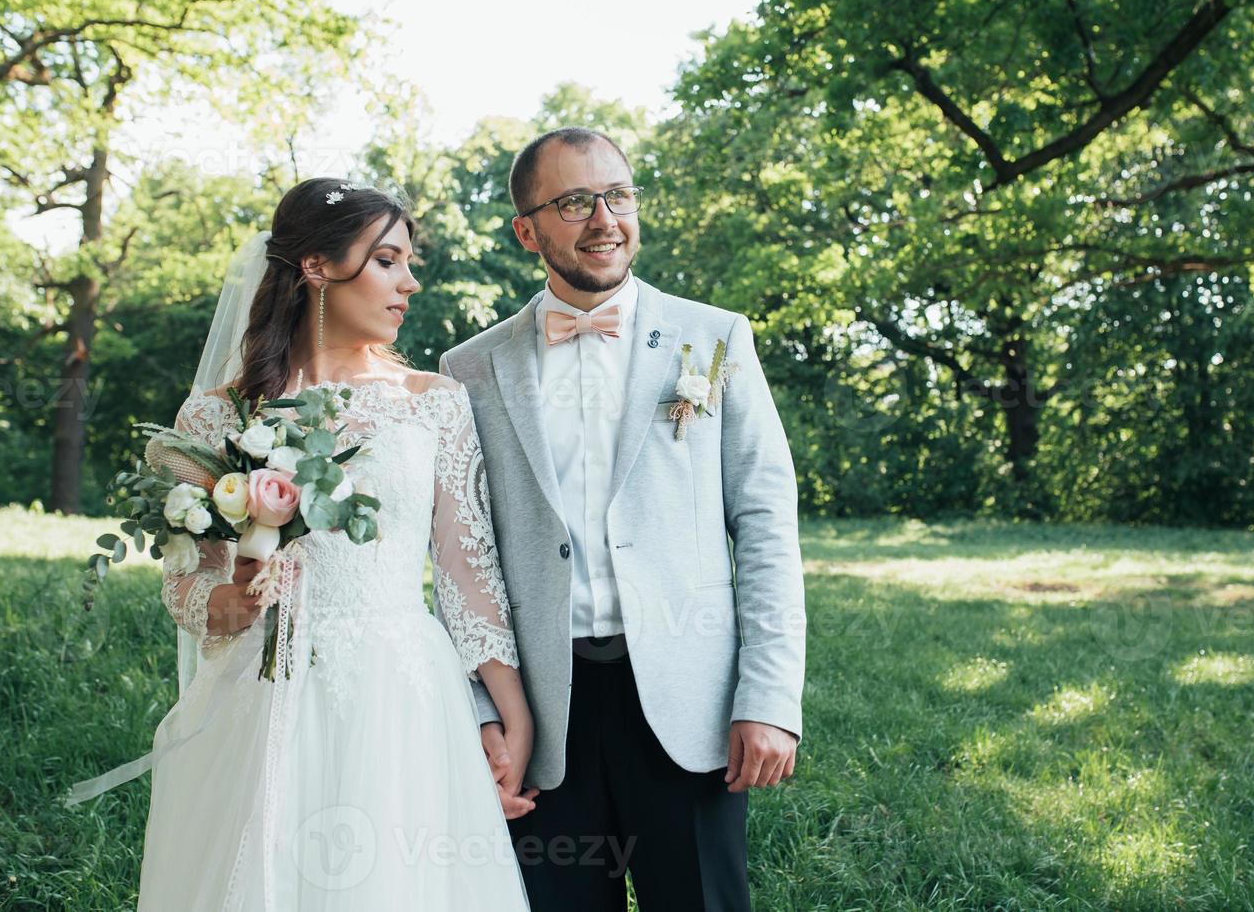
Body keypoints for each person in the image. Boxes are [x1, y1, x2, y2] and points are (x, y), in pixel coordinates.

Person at [67, 178, 532, 910]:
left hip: (401, 692)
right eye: (386, 260)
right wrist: (227, 601)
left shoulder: (432, 402)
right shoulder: (218, 415)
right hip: (261, 686)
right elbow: (187, 586)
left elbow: (468, 570)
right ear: (316, 267)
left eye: (409, 261)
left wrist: (510, 713)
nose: (409, 281)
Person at [440, 127, 807, 911]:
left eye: (619, 194)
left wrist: (768, 697)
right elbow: (455, 559)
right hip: (541, 716)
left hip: (688, 701)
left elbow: (767, 522)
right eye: (575, 202)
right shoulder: (467, 371)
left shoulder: (714, 339)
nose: (606, 218)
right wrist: (481, 712)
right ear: (527, 230)